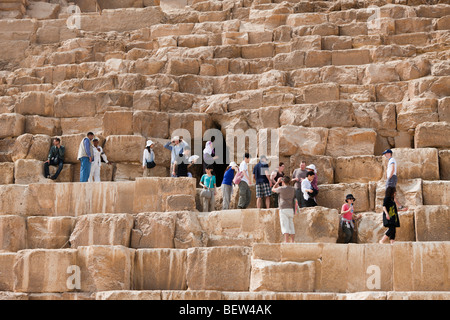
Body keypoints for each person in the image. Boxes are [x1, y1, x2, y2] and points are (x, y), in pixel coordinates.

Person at [272, 176, 297, 243]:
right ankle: (292, 241)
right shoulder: (293, 189)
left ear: (283, 182)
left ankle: (286, 241)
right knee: (291, 224)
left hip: (283, 208)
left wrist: (277, 182)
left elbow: (273, 189)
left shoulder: (281, 189)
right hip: (291, 208)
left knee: (284, 225)